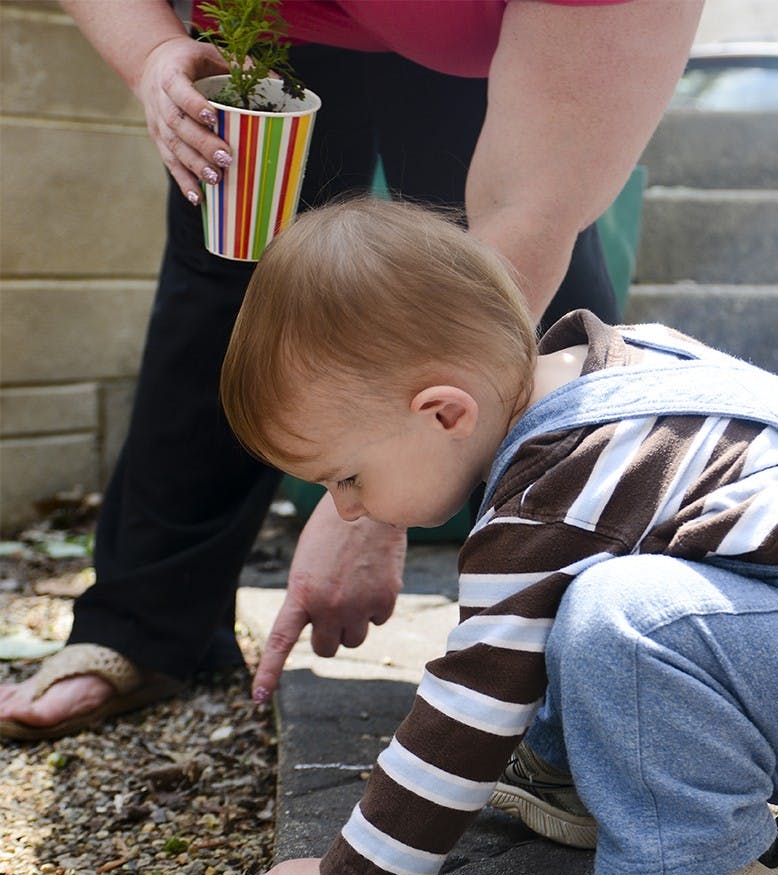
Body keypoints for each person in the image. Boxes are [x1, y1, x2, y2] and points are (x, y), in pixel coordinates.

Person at [220, 198, 778, 875]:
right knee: (569, 598)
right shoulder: (591, 373)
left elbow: (471, 700)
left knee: (616, 614)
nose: (346, 509)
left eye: (345, 476)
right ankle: (577, 770)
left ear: (445, 413)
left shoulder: (557, 488)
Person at [0, 0, 705, 740]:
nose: (344, 498)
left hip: (488, 46)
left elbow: (525, 213)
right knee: (229, 273)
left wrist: (380, 497)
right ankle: (146, 622)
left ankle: (588, 640)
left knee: (499, 295)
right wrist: (151, 53)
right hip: (266, 31)